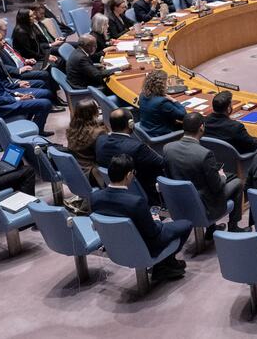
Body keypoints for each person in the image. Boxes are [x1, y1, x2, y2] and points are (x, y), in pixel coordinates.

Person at [92, 154, 191, 282]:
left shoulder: (95, 197)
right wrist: (156, 220)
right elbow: (153, 232)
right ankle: (165, 263)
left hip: (115, 245)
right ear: (128, 175)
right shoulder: (135, 202)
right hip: (144, 245)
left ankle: (167, 265)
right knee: (186, 224)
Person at [165, 112, 243, 232]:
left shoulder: (167, 148)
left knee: (201, 181)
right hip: (204, 203)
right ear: (201, 127)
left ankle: (211, 230)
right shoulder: (204, 154)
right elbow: (216, 187)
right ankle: (234, 227)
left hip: (178, 200)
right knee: (237, 182)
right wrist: (221, 176)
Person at [96, 108, 166, 205]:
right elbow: (161, 163)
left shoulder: (100, 140)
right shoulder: (137, 147)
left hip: (113, 190)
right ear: (130, 124)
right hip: (144, 193)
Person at [0, 30, 61, 104]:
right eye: (1, 40)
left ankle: (53, 99)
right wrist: (17, 83)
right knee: (44, 77)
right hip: (12, 81)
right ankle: (50, 102)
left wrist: (25, 60)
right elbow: (1, 82)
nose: (4, 41)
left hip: (14, 77)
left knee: (47, 68)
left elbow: (16, 56)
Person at [65, 99, 107, 185]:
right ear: (94, 112)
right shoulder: (98, 133)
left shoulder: (71, 129)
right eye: (97, 109)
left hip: (76, 171)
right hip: (93, 174)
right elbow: (103, 157)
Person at [136, 70, 185, 137]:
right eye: (166, 82)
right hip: (160, 133)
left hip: (147, 129)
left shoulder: (142, 94)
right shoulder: (162, 102)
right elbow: (183, 116)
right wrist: (174, 100)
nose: (167, 85)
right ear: (162, 85)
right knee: (192, 124)